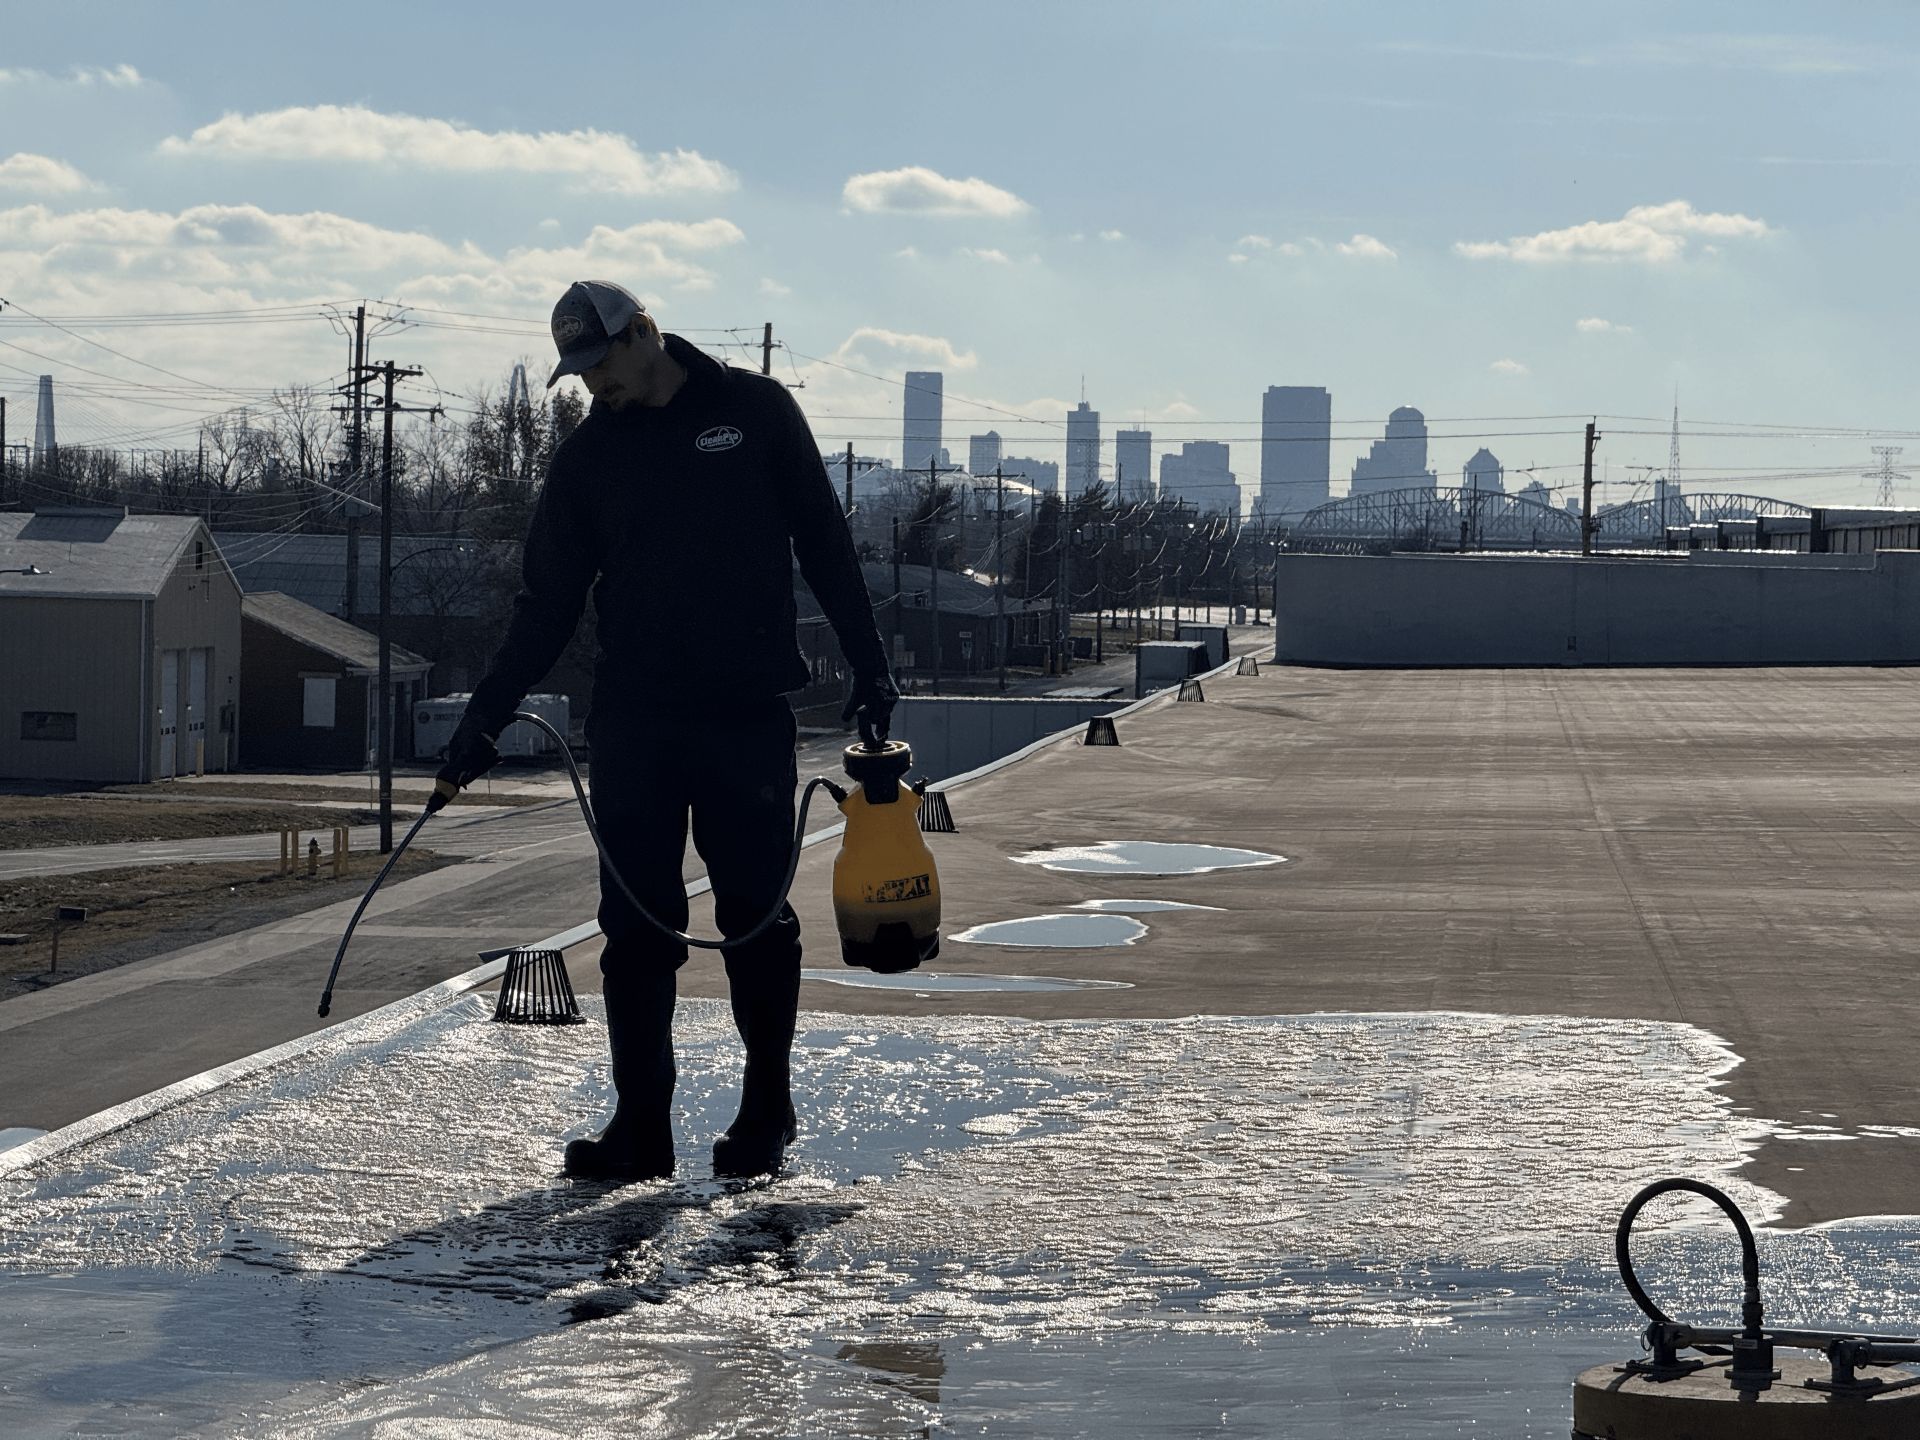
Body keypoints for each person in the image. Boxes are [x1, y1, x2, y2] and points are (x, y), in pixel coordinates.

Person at [440, 280, 896, 1181]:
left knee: (756, 919)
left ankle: (767, 1110)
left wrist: (872, 665)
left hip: (745, 714)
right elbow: (545, 608)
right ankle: (641, 1127)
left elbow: (824, 543)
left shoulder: (753, 410)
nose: (590, 386)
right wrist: (482, 718)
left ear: (644, 332)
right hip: (637, 722)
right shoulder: (588, 462)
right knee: (635, 927)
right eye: (576, 374)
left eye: (600, 364)